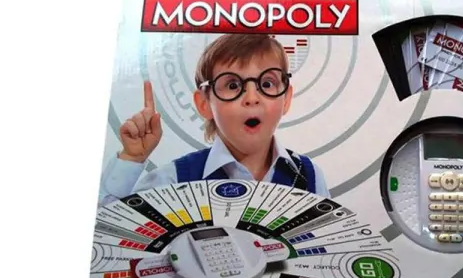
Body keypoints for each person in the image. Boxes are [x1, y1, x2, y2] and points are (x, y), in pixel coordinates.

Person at [98, 34, 329, 206]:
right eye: (233, 85)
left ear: (286, 99)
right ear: (204, 104)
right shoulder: (175, 180)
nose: (252, 98)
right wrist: (131, 158)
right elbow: (110, 232)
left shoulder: (309, 177)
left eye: (267, 84)